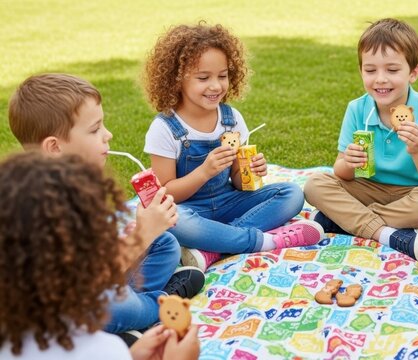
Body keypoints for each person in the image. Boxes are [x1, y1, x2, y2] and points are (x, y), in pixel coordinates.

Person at [7, 73, 205, 343]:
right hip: (66, 311)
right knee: (113, 305)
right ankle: (158, 306)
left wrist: (138, 237)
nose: (108, 134)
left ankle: (132, 323)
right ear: (54, 147)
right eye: (94, 129)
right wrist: (140, 238)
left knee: (165, 243)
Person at [142, 23, 324, 272]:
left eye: (223, 75)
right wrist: (204, 171)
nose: (216, 86)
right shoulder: (165, 128)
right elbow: (166, 195)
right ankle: (261, 241)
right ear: (176, 79)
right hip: (190, 209)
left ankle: (212, 247)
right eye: (203, 78)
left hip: (229, 201)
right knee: (176, 220)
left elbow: (239, 183)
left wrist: (249, 170)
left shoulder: (231, 119)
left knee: (291, 193)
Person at [0, 152, 200, 360]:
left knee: (164, 243)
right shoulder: (101, 349)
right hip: (107, 314)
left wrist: (133, 355)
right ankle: (161, 303)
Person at [304, 18, 418, 263]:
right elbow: (341, 173)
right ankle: (386, 234)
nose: (380, 79)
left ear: (413, 73)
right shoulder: (357, 109)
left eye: (392, 70)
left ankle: (343, 220)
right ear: (361, 71)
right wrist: (349, 162)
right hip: (366, 188)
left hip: (411, 193)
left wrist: (417, 150)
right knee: (314, 184)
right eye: (370, 70)